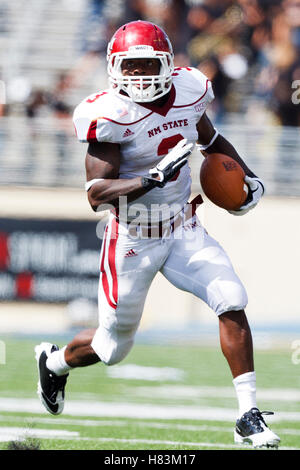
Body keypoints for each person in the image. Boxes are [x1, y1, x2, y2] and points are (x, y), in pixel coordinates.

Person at [35, 20, 280, 449]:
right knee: (113, 348)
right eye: (130, 67)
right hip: (133, 237)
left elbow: (212, 139)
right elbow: (96, 194)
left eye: (149, 64)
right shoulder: (111, 115)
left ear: (168, 64)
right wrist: (149, 179)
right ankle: (54, 362)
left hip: (183, 226)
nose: (140, 75)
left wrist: (248, 180)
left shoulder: (189, 91)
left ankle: (248, 414)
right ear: (114, 70)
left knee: (231, 297)